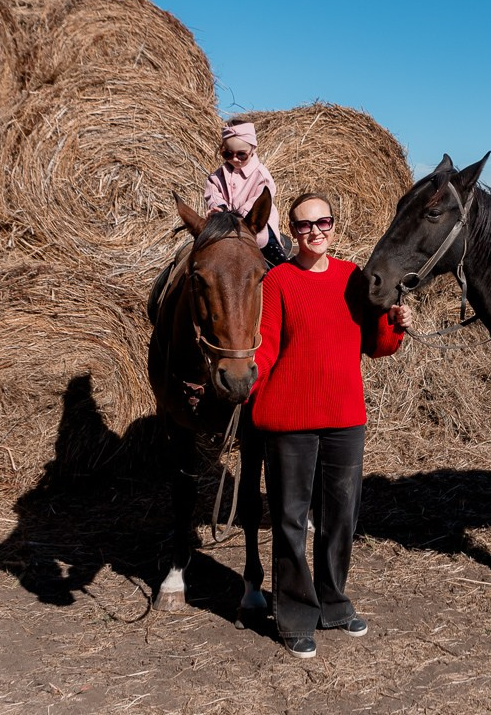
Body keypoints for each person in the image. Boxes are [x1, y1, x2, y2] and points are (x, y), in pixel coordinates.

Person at [247, 192, 413, 659]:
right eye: (304, 225)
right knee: (290, 520)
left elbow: (376, 346)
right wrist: (245, 385)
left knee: (341, 517)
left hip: (344, 418)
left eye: (324, 222)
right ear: (292, 232)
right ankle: (295, 616)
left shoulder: (353, 278)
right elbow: (266, 346)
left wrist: (395, 323)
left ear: (334, 226)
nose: (315, 231)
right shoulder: (278, 281)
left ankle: (333, 603)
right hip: (289, 421)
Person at [204, 121, 287, 266]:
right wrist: (219, 207)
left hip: (255, 222)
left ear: (253, 149)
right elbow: (213, 191)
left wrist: (240, 214)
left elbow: (259, 199)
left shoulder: (261, 175)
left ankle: (282, 267)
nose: (235, 159)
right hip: (224, 224)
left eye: (241, 154)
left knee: (270, 244)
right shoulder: (218, 175)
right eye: (228, 154)